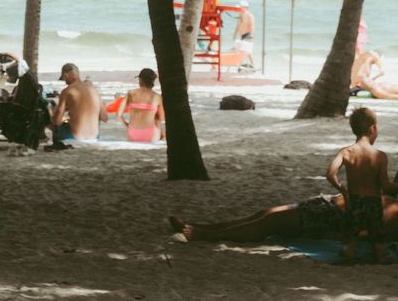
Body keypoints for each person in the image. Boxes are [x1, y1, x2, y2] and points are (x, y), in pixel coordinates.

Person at [168, 194, 398, 243]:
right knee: (263, 214)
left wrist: (338, 235)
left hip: (329, 218)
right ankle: (198, 225)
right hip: (325, 204)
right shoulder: (390, 196)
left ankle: (205, 235)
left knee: (269, 223)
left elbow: (374, 233)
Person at [326, 106, 398, 263]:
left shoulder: (346, 152)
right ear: (372, 128)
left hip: (355, 201)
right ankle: (382, 257)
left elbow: (330, 174)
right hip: (373, 203)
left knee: (350, 238)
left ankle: (349, 257)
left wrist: (344, 192)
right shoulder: (379, 156)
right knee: (378, 240)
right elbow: (385, 186)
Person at [51, 63, 107, 141]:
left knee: (49, 114)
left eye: (64, 79)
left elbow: (57, 121)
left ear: (66, 75)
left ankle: (43, 137)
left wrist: (52, 113)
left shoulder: (67, 91)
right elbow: (104, 117)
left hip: (74, 136)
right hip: (95, 136)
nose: (65, 82)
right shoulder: (93, 90)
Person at [116, 68, 165, 143]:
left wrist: (127, 125)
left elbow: (119, 115)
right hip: (151, 133)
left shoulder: (131, 93)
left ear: (141, 80)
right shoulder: (157, 97)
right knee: (157, 118)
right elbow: (162, 118)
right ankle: (163, 136)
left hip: (132, 132)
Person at [234, 1, 256, 70]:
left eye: (241, 7)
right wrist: (235, 33)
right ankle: (242, 65)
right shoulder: (241, 15)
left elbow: (252, 26)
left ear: (245, 7)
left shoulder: (250, 15)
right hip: (242, 35)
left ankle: (252, 65)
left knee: (247, 51)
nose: (240, 9)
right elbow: (238, 25)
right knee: (244, 51)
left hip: (248, 34)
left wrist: (251, 36)